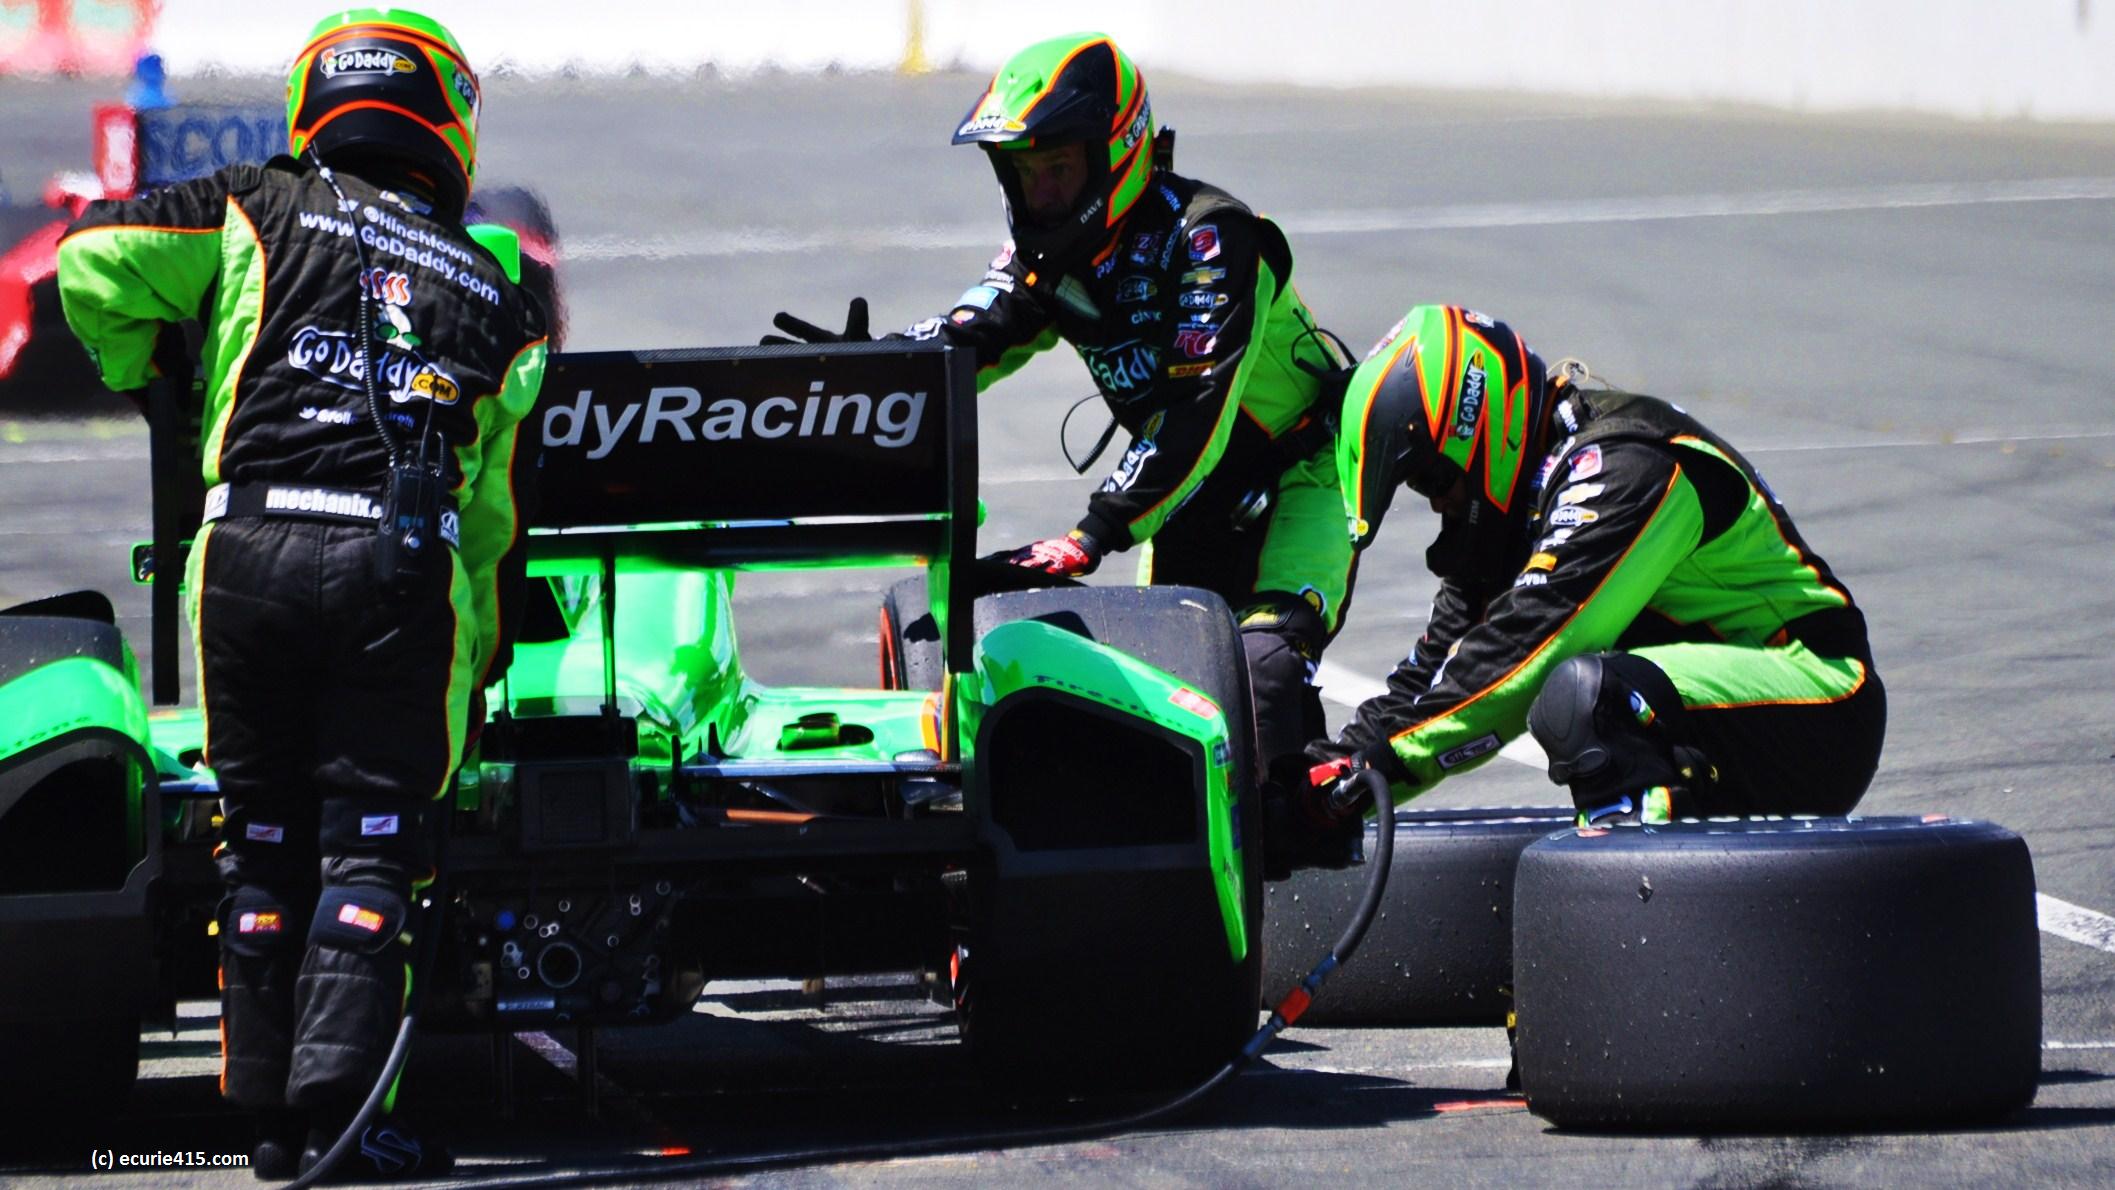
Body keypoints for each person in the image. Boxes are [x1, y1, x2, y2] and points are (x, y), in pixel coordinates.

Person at [57, 8, 546, 1179]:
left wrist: (157, 372)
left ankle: (270, 1127)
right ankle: (346, 1124)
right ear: (449, 121)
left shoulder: (255, 203)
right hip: (398, 571)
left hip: (244, 557)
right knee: (372, 854)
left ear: (314, 100)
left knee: (262, 847)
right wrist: (478, 662)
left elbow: (87, 260)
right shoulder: (500, 297)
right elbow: (491, 526)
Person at [764, 33, 1356, 773]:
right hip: (1186, 503)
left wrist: (1091, 532)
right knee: (1181, 716)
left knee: (1262, 674)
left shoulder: (1211, 238)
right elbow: (963, 341)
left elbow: (1195, 406)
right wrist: (868, 371)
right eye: (1024, 172)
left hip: (1296, 480)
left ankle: (1314, 827)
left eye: (1058, 169)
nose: (1040, 194)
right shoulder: (1047, 261)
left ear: (1117, 154)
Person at [1270, 304, 1884, 869]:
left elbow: (1523, 659)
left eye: (1433, 479)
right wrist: (1325, 777)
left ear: (1476, 425)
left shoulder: (1625, 469)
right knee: (1585, 693)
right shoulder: (1522, 508)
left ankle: (1642, 921)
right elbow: (1437, 673)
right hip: (1713, 710)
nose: (1438, 503)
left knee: (1587, 698)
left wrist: (1365, 774)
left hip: (1818, 700)